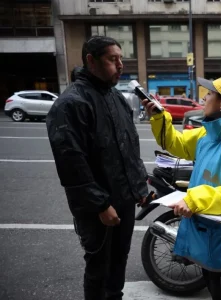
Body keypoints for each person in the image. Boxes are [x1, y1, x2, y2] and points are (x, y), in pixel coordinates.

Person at [143, 72, 221, 300]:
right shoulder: (207, 135)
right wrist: (159, 117)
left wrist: (194, 199)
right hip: (206, 236)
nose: (204, 98)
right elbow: (174, 143)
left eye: (209, 93)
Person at [46, 36, 148, 300]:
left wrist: (140, 187)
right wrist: (100, 206)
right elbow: (72, 164)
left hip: (124, 200)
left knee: (118, 264)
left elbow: (130, 146)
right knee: (98, 269)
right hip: (98, 209)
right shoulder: (71, 104)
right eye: (112, 59)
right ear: (91, 60)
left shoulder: (116, 98)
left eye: (121, 59)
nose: (121, 65)